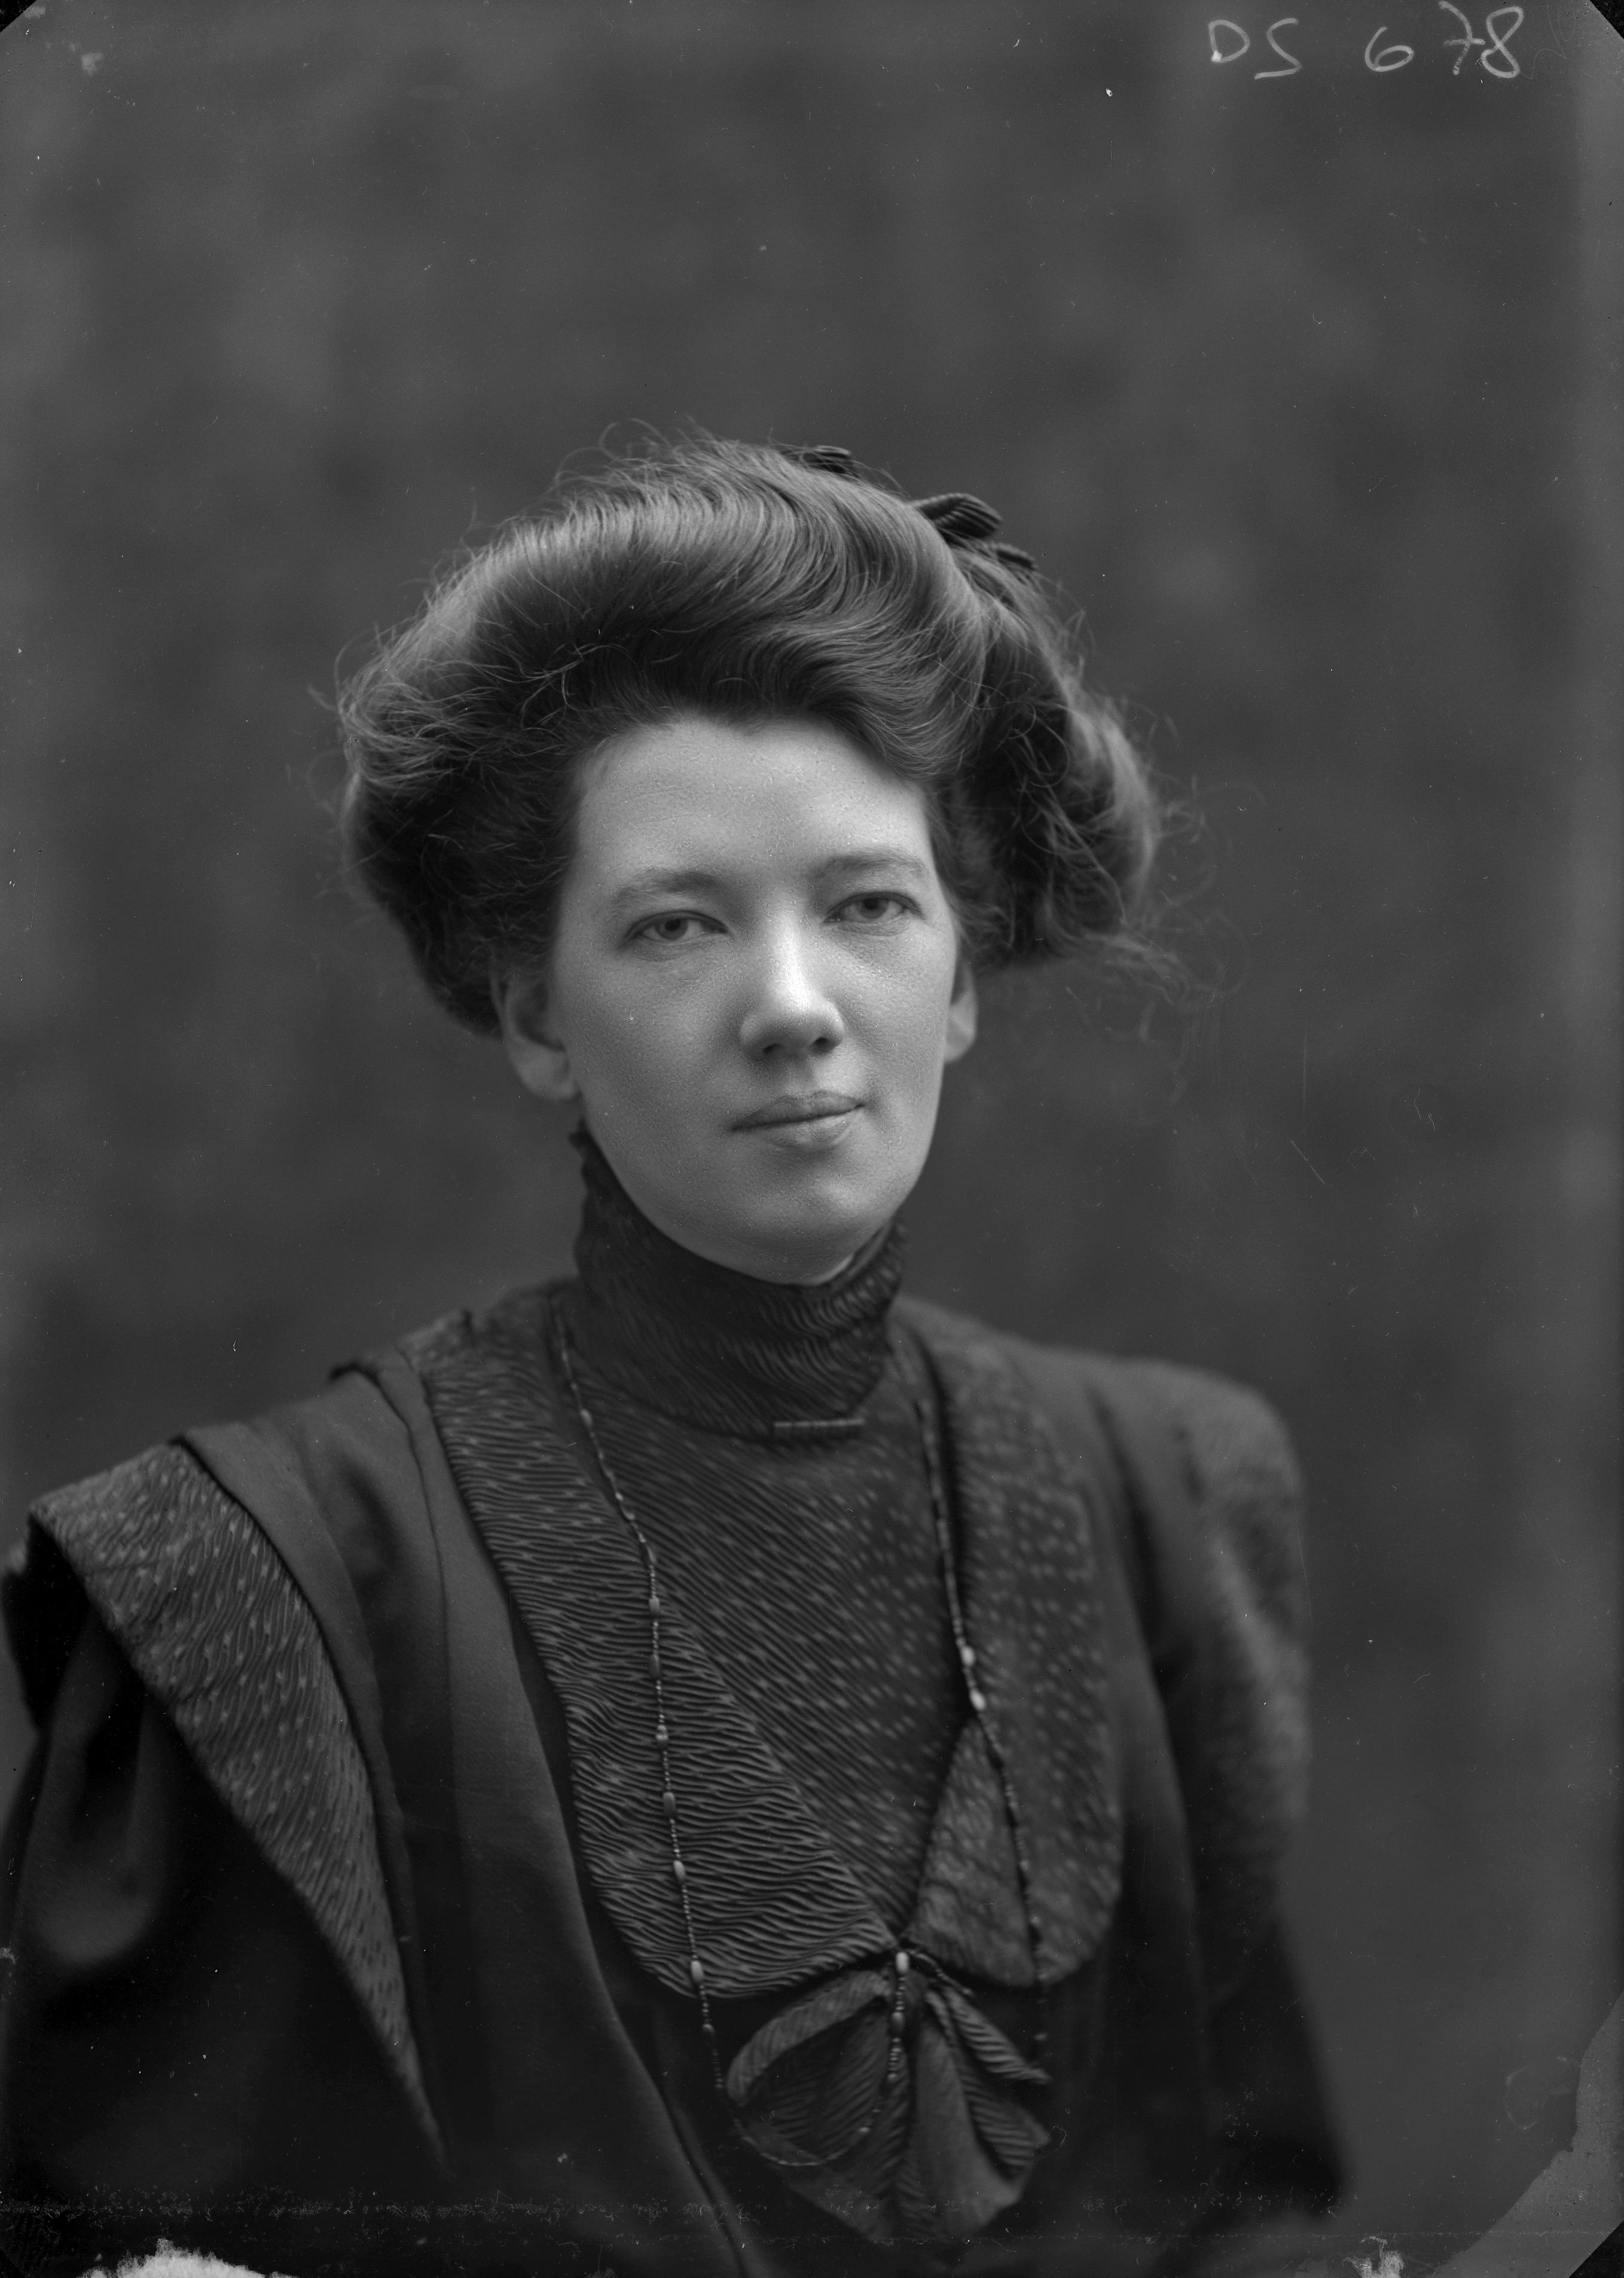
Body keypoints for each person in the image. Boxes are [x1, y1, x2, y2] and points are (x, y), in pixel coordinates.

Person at [0, 438, 1342, 2278]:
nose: (791, 1007)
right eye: (678, 922)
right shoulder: (267, 1580)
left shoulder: (1165, 1501)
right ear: (535, 1008)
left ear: (960, 974)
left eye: (867, 904)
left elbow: (1247, 2227)